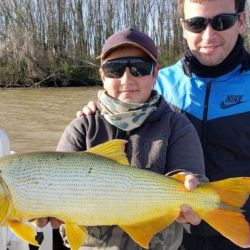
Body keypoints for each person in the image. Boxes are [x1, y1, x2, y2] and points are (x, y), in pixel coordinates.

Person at [79, 1, 250, 250]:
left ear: (242, 21)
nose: (208, 35)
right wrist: (95, 111)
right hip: (170, 237)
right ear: (183, 27)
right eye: (197, 24)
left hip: (240, 233)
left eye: (222, 22)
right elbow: (117, 106)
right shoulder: (154, 83)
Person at [36, 28, 206, 250]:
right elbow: (52, 184)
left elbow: (195, 180)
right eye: (115, 69)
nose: (127, 79)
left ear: (155, 73)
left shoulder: (177, 125)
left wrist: (191, 187)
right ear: (102, 76)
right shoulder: (82, 127)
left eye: (139, 68)